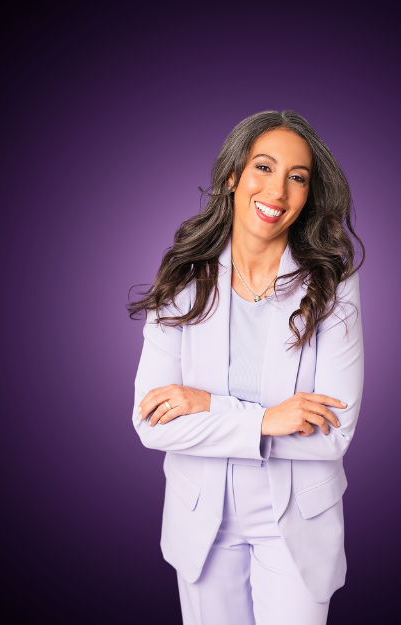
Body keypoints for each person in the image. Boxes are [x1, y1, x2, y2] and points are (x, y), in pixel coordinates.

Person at [128, 110, 364, 625]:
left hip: (298, 521)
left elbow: (334, 433)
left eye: (297, 177)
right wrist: (265, 420)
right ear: (233, 175)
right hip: (202, 521)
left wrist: (207, 406)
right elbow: (151, 423)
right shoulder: (182, 277)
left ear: (308, 194)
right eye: (263, 167)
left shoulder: (332, 284)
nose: (277, 190)